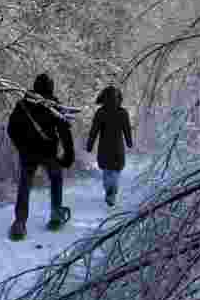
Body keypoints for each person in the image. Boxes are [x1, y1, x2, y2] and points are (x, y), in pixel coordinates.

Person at [7, 73, 75, 240]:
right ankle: (55, 214)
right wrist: (68, 155)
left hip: (28, 154)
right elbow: (64, 132)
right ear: (50, 87)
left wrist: (21, 148)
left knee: (24, 186)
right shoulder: (53, 105)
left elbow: (12, 129)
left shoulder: (23, 104)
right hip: (48, 152)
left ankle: (20, 223)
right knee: (56, 179)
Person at [86, 84, 133, 206]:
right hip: (118, 148)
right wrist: (129, 142)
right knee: (116, 172)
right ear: (119, 98)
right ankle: (112, 193)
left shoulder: (100, 112)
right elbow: (127, 129)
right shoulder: (123, 112)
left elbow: (94, 130)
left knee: (107, 171)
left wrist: (90, 144)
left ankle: (109, 191)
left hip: (104, 148)